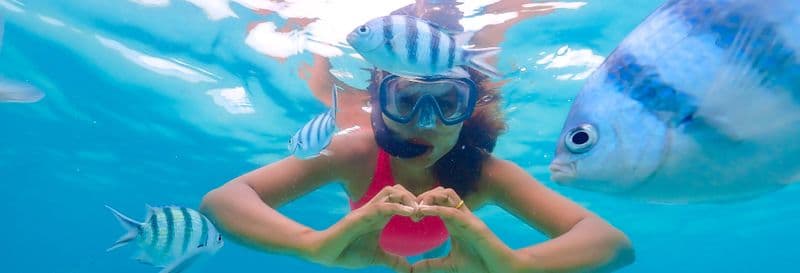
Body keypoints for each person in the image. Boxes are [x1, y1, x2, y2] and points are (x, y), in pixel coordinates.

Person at [201, 1, 634, 273]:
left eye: (447, 102)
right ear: (377, 100)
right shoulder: (357, 152)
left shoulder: (484, 173)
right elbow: (222, 202)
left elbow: (613, 244)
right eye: (406, 100)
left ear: (470, 109)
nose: (426, 123)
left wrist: (516, 265)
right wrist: (311, 246)